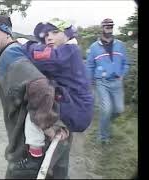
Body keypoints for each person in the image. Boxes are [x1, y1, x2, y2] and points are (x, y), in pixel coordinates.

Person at [0, 13, 72, 179]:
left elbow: (40, 87)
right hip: (50, 146)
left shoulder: (10, 54)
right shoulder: (19, 51)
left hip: (30, 153)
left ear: (7, 33)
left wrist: (47, 125)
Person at [18, 17, 94, 176]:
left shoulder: (68, 51)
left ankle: (35, 151)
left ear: (68, 34)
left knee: (36, 102)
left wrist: (25, 44)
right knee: (60, 160)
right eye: (45, 35)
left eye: (54, 32)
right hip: (74, 107)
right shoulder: (67, 53)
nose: (49, 37)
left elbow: (42, 56)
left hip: (75, 109)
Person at [86, 18, 130, 144]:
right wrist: (89, 82)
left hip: (117, 82)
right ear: (102, 28)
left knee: (119, 110)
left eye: (111, 26)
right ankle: (103, 136)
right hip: (102, 82)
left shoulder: (120, 45)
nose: (109, 28)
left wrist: (122, 74)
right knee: (106, 109)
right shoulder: (94, 47)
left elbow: (126, 63)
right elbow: (89, 66)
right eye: (106, 26)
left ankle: (105, 122)